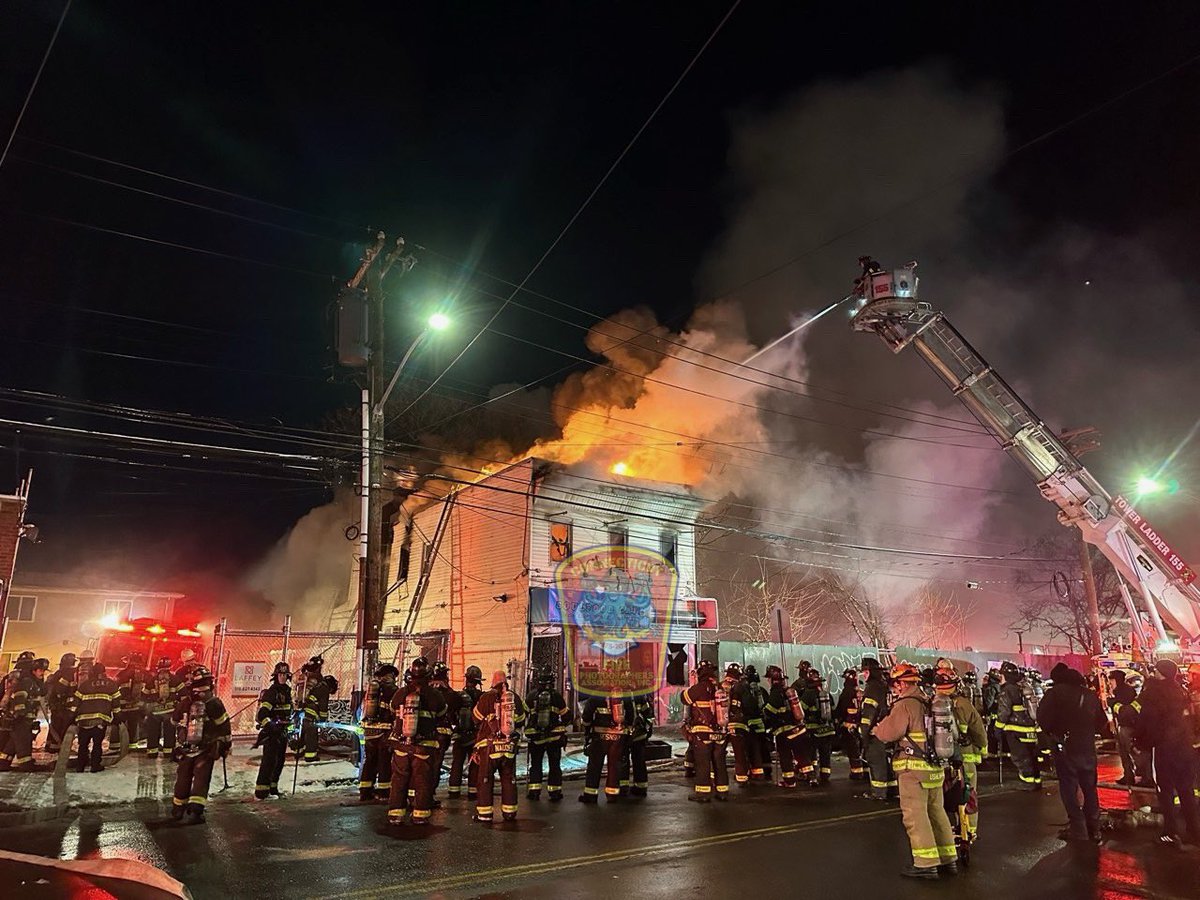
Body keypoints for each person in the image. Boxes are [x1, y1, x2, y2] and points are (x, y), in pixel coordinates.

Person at [872, 662, 958, 879]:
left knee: (915, 816)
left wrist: (875, 728)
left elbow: (889, 733)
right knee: (937, 813)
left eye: (895, 684)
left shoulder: (906, 705)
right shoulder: (928, 701)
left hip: (913, 771)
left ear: (902, 683)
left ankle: (925, 863)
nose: (894, 689)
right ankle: (949, 859)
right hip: (934, 769)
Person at [1038, 662, 1109, 843]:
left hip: (1066, 747)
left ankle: (1078, 829)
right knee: (1089, 788)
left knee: (1069, 788)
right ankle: (1094, 828)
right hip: (1087, 747)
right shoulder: (1090, 695)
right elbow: (1102, 721)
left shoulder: (1054, 694)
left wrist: (1055, 734)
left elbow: (1043, 718)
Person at [1135, 659, 1200, 847]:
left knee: (1165, 792)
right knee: (1186, 790)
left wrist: (1140, 743)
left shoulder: (1152, 693)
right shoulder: (1181, 691)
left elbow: (1146, 722)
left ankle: (1170, 831)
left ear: (1160, 672)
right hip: (1184, 748)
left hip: (1164, 749)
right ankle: (1193, 831)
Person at [386, 657, 447, 825]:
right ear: (429, 676)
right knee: (422, 781)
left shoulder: (400, 693)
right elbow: (442, 715)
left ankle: (395, 814)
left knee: (399, 779)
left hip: (402, 745)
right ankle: (420, 815)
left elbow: (392, 709)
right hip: (423, 747)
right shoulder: (435, 695)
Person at [170, 666, 231, 824]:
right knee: (201, 780)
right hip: (205, 749)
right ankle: (196, 812)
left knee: (183, 778)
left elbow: (174, 720)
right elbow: (223, 725)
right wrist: (225, 745)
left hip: (185, 749)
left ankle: (178, 809)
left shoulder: (186, 702)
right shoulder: (214, 703)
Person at [935, 660, 987, 842]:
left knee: (943, 796)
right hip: (965, 758)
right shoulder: (963, 704)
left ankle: (946, 832)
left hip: (940, 760)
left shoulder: (931, 704)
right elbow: (978, 729)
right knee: (968, 793)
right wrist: (983, 749)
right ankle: (970, 831)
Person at [472, 669, 526, 823]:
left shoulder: (486, 697)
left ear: (493, 683)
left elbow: (475, 718)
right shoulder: (514, 697)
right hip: (508, 747)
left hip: (488, 747)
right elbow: (521, 719)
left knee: (485, 779)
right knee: (508, 779)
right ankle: (510, 813)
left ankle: (485, 814)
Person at [680, 659, 730, 802]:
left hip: (703, 732)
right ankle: (722, 791)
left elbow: (684, 698)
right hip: (720, 732)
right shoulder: (720, 687)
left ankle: (703, 793)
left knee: (702, 762)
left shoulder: (700, 688)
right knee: (719, 762)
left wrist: (691, 684)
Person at [763, 664, 814, 788]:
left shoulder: (775, 693)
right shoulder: (789, 690)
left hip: (784, 731)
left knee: (785, 757)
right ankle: (812, 778)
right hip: (798, 728)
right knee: (801, 754)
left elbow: (769, 711)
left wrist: (764, 713)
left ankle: (789, 781)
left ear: (771, 679)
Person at [525, 664, 570, 801]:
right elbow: (567, 716)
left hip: (536, 737)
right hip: (554, 738)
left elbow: (523, 714)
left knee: (536, 764)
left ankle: (534, 792)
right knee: (554, 765)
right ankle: (555, 792)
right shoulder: (557, 696)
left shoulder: (531, 696)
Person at [580, 688, 632, 803]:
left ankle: (590, 795)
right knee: (614, 766)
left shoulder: (596, 695)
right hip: (618, 737)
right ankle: (612, 795)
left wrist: (587, 731)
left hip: (599, 736)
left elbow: (586, 716)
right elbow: (631, 715)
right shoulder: (625, 695)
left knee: (595, 765)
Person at [996, 662, 1041, 790]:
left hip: (1015, 729)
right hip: (1029, 728)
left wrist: (998, 728)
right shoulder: (1023, 686)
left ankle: (1028, 782)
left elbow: (1004, 712)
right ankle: (1036, 780)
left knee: (1021, 757)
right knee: (1031, 756)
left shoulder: (1007, 690)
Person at [859, 657, 897, 800]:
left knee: (876, 760)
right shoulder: (884, 685)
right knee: (888, 760)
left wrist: (864, 732)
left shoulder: (872, 688)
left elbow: (869, 712)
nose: (864, 674)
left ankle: (878, 792)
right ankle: (893, 789)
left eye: (865, 671)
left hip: (876, 731)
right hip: (887, 728)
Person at [254, 661, 294, 800]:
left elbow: (288, 712)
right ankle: (261, 792)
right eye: (280, 674)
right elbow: (262, 714)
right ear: (276, 676)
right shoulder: (272, 692)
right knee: (269, 762)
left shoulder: (287, 691)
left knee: (279, 761)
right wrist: (270, 726)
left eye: (285, 675)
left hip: (282, 732)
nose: (282, 677)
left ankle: (272, 789)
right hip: (272, 733)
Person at [0, 657, 47, 771]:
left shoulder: (32, 682)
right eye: (40, 670)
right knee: (23, 741)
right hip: (21, 718)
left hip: (24, 718)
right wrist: (20, 714)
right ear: (33, 670)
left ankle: (3, 762)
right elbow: (20, 697)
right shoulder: (27, 682)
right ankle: (26, 764)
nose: (43, 673)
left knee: (13, 742)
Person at [72, 659, 119, 773]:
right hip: (100, 721)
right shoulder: (111, 684)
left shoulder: (84, 685)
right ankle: (95, 766)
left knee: (83, 745)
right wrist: (117, 717)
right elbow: (116, 703)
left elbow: (75, 703)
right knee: (97, 744)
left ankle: (80, 767)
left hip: (83, 721)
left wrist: (72, 717)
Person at [448, 665, 484, 801]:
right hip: (474, 736)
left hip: (459, 735)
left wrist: (456, 725)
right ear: (478, 682)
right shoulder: (481, 696)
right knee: (474, 763)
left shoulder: (457, 696)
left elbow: (451, 713)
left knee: (457, 762)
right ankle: (473, 792)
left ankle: (453, 791)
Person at [428, 661, 461, 805]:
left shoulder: (425, 690)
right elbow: (457, 704)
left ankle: (417, 794)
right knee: (435, 764)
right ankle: (429, 794)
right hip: (441, 734)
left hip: (425, 734)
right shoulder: (448, 693)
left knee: (423, 764)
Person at [1107, 670, 1148, 786]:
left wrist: (1113, 703)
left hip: (1128, 727)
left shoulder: (1124, 691)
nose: (1110, 683)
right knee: (1123, 753)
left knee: (1133, 752)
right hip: (1122, 725)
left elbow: (1125, 710)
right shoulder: (1119, 690)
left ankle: (1145, 777)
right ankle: (1128, 775)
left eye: (1111, 680)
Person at [724, 663, 762, 785]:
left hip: (721, 725)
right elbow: (750, 705)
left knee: (718, 753)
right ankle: (744, 777)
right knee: (741, 752)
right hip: (739, 724)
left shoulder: (721, 685)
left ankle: (714, 779)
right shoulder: (741, 687)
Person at [800, 669, 836, 785]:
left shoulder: (807, 694)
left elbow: (801, 711)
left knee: (812, 754)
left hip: (813, 730)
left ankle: (812, 776)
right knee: (825, 754)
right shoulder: (826, 694)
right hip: (828, 730)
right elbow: (833, 710)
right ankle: (825, 775)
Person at [142, 657, 177, 758]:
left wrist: (147, 706)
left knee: (152, 732)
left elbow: (144, 695)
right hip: (170, 711)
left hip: (154, 713)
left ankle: (152, 753)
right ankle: (168, 753)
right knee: (169, 732)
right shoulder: (174, 679)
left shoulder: (152, 680)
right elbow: (183, 693)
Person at [835, 668, 866, 780]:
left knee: (853, 750)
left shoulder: (846, 693)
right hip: (861, 726)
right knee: (862, 749)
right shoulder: (860, 692)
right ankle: (865, 771)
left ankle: (856, 773)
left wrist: (837, 719)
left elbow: (841, 710)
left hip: (849, 727)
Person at [112, 653, 148, 751]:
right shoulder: (145, 673)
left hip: (123, 705)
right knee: (134, 725)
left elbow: (114, 687)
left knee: (118, 724)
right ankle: (132, 746)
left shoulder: (122, 673)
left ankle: (115, 745)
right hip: (137, 706)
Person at [622, 691, 655, 797]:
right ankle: (641, 787)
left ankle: (623, 787)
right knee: (639, 760)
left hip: (624, 735)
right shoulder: (639, 694)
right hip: (638, 734)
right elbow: (648, 714)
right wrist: (647, 729)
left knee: (623, 760)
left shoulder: (618, 694)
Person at [44, 653, 78, 754]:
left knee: (55, 724)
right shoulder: (69, 673)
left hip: (56, 704)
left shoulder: (58, 673)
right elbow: (60, 689)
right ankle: (59, 747)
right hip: (63, 705)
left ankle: (50, 746)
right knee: (63, 725)